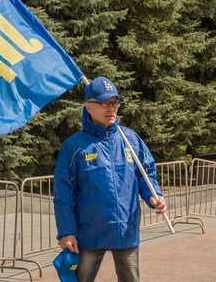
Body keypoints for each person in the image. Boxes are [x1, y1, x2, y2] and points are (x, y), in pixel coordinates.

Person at [53, 77, 167, 282]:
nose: (111, 108)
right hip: (89, 234)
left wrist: (154, 195)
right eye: (104, 103)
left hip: (126, 231)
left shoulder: (130, 139)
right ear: (89, 107)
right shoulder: (74, 146)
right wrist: (66, 232)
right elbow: (64, 193)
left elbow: (146, 173)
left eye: (115, 103)